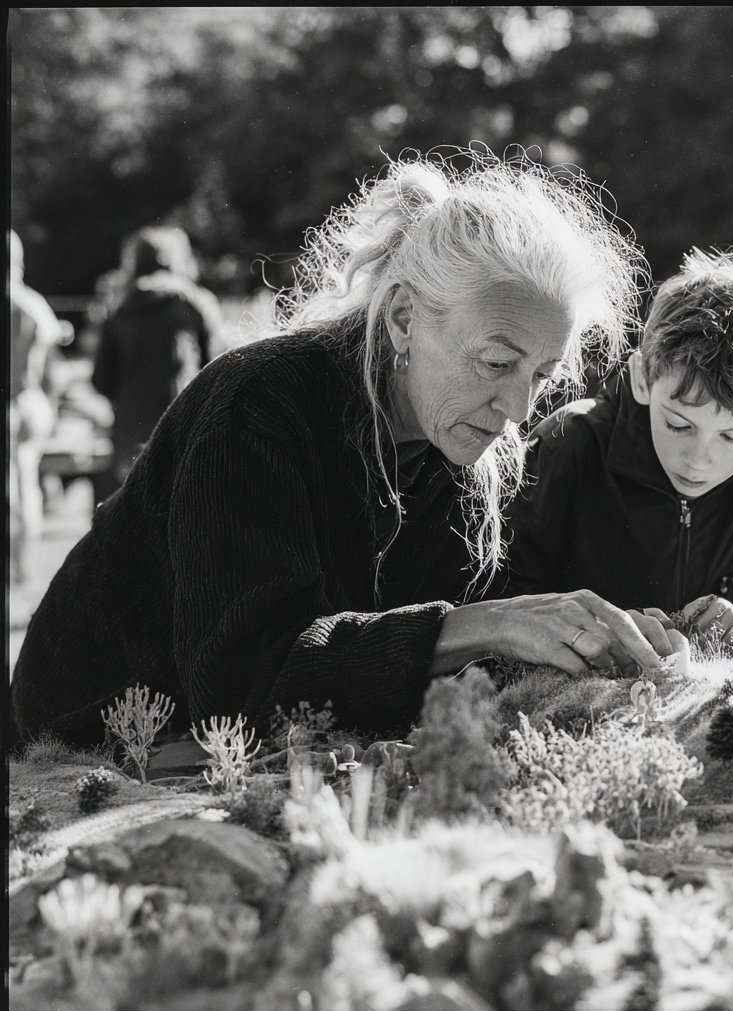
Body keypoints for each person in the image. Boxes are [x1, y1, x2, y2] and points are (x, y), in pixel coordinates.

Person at [10, 148, 683, 750]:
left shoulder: (465, 454)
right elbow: (244, 688)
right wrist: (481, 625)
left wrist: (607, 634)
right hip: (88, 754)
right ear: (402, 320)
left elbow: (436, 660)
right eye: (496, 362)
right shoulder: (257, 406)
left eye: (541, 376)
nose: (517, 412)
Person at [503, 247, 733, 635]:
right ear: (642, 379)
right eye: (679, 425)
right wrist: (598, 630)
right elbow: (494, 608)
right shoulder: (568, 443)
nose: (699, 460)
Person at [91, 225, 225, 499]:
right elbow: (219, 368)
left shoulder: (120, 310)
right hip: (185, 427)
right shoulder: (196, 304)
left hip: (131, 435)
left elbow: (101, 380)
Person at [8, 229, 68, 582]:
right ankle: (23, 571)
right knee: (25, 484)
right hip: (30, 403)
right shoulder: (32, 303)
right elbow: (54, 370)